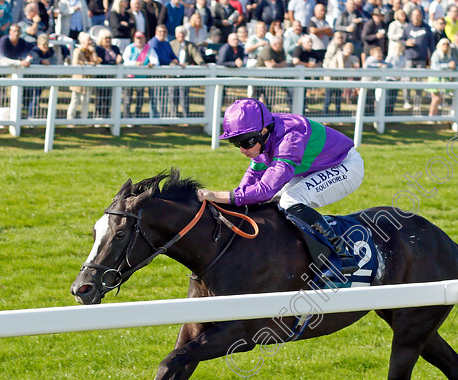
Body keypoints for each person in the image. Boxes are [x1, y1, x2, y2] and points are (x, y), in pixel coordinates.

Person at [196, 98, 365, 274]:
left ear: (262, 131)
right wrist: (236, 200)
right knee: (273, 204)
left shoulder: (290, 137)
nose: (242, 150)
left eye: (246, 142)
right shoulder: (263, 134)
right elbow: (253, 178)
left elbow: (265, 190)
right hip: (313, 169)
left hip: (345, 166)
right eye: (236, 143)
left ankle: (340, 254)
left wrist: (220, 196)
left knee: (289, 201)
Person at [122, 31, 158, 116]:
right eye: (138, 38)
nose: (139, 40)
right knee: (128, 99)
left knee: (140, 98)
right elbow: (125, 61)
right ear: (134, 39)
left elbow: (155, 60)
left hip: (142, 77)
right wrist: (135, 63)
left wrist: (151, 64)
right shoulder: (130, 48)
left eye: (141, 38)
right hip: (130, 76)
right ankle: (126, 117)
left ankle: (137, 117)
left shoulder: (149, 48)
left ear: (144, 39)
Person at [169, 25, 203, 116]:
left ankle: (186, 117)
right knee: (173, 97)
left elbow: (196, 56)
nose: (181, 35)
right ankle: (173, 116)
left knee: (184, 97)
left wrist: (202, 63)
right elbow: (168, 58)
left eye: (183, 33)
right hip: (173, 75)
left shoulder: (190, 45)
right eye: (179, 33)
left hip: (185, 75)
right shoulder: (171, 44)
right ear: (176, 34)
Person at [67, 31, 101, 120]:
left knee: (86, 101)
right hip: (78, 80)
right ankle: (70, 119)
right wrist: (88, 63)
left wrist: (93, 53)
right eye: (88, 40)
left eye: (90, 40)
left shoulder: (90, 52)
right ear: (82, 41)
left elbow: (97, 62)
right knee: (75, 100)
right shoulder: (77, 51)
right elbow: (75, 63)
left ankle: (84, 119)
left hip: (88, 80)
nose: (90, 42)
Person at [27, 34, 54, 117]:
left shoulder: (50, 51)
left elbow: (55, 60)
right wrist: (42, 61)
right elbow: (31, 61)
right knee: (34, 98)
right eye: (43, 44)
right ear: (38, 44)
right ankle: (30, 118)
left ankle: (32, 116)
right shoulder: (34, 51)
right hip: (31, 79)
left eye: (47, 44)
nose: (46, 46)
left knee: (35, 98)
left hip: (42, 79)